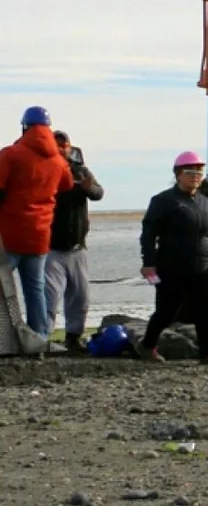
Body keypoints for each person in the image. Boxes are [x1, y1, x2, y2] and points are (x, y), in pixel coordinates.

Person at [133, 151, 208, 364]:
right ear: (178, 175)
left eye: (199, 172)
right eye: (190, 172)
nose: (195, 176)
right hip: (173, 264)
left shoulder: (204, 202)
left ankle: (207, 353)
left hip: (204, 264)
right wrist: (149, 263)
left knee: (205, 311)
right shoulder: (163, 201)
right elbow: (148, 234)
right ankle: (148, 345)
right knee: (167, 311)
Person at [0, 106, 75, 339]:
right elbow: (67, 185)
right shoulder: (58, 161)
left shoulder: (11, 154)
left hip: (10, 232)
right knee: (35, 288)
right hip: (40, 234)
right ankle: (40, 336)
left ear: (25, 127)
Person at [46, 131, 105, 352]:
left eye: (65, 144)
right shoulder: (46, 169)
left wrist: (87, 187)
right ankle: (44, 337)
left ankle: (73, 337)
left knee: (80, 297)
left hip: (78, 246)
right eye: (57, 144)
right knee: (50, 298)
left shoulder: (80, 169)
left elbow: (98, 193)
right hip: (51, 246)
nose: (62, 148)